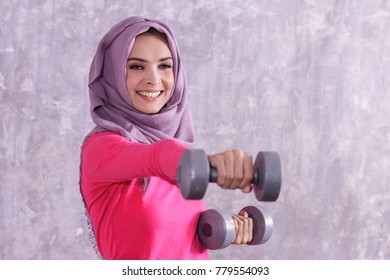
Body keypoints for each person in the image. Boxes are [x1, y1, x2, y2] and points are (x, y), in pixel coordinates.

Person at [80, 16, 255, 260]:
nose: (154, 79)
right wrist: (211, 163)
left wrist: (221, 229)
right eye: (136, 66)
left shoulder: (179, 159)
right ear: (112, 74)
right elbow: (158, 157)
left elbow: (166, 238)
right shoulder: (101, 149)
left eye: (164, 66)